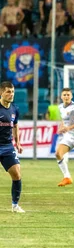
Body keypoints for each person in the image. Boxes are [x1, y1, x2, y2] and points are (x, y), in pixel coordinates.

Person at [0, 82, 25, 213]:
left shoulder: (15, 109)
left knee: (17, 175)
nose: (11, 94)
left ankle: (15, 205)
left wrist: (18, 143)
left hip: (7, 147)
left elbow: (15, 126)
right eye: (8, 92)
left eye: (13, 92)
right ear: (1, 93)